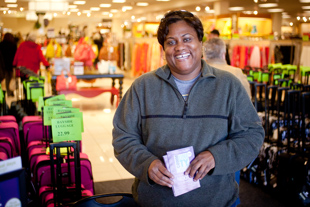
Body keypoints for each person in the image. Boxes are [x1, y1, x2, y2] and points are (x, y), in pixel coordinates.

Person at [112, 10, 264, 207]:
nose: (179, 47)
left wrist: (216, 156)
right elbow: (123, 137)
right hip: (157, 202)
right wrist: (146, 164)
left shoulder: (228, 86)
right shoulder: (142, 88)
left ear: (201, 43)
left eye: (187, 39)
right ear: (163, 49)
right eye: (171, 42)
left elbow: (252, 135)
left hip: (217, 201)